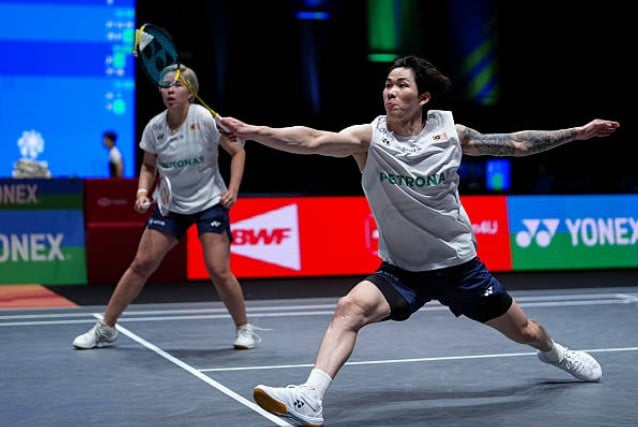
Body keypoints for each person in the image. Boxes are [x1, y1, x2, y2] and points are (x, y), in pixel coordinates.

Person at [219, 55, 620, 426]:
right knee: (349, 308)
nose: (391, 92)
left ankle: (557, 354)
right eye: (387, 85)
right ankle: (310, 395)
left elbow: (516, 143)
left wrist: (577, 133)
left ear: (423, 97)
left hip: (460, 268)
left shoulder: (451, 133)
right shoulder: (370, 138)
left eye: (401, 85)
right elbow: (309, 140)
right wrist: (252, 132)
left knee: (527, 332)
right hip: (402, 271)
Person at [73, 64, 263, 351]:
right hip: (171, 204)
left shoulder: (205, 119)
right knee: (141, 264)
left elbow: (238, 152)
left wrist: (233, 190)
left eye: (176, 85)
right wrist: (142, 191)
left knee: (218, 269)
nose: (170, 90)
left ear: (191, 93)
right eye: (165, 85)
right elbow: (149, 166)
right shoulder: (155, 127)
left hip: (209, 201)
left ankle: (244, 328)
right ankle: (105, 328)